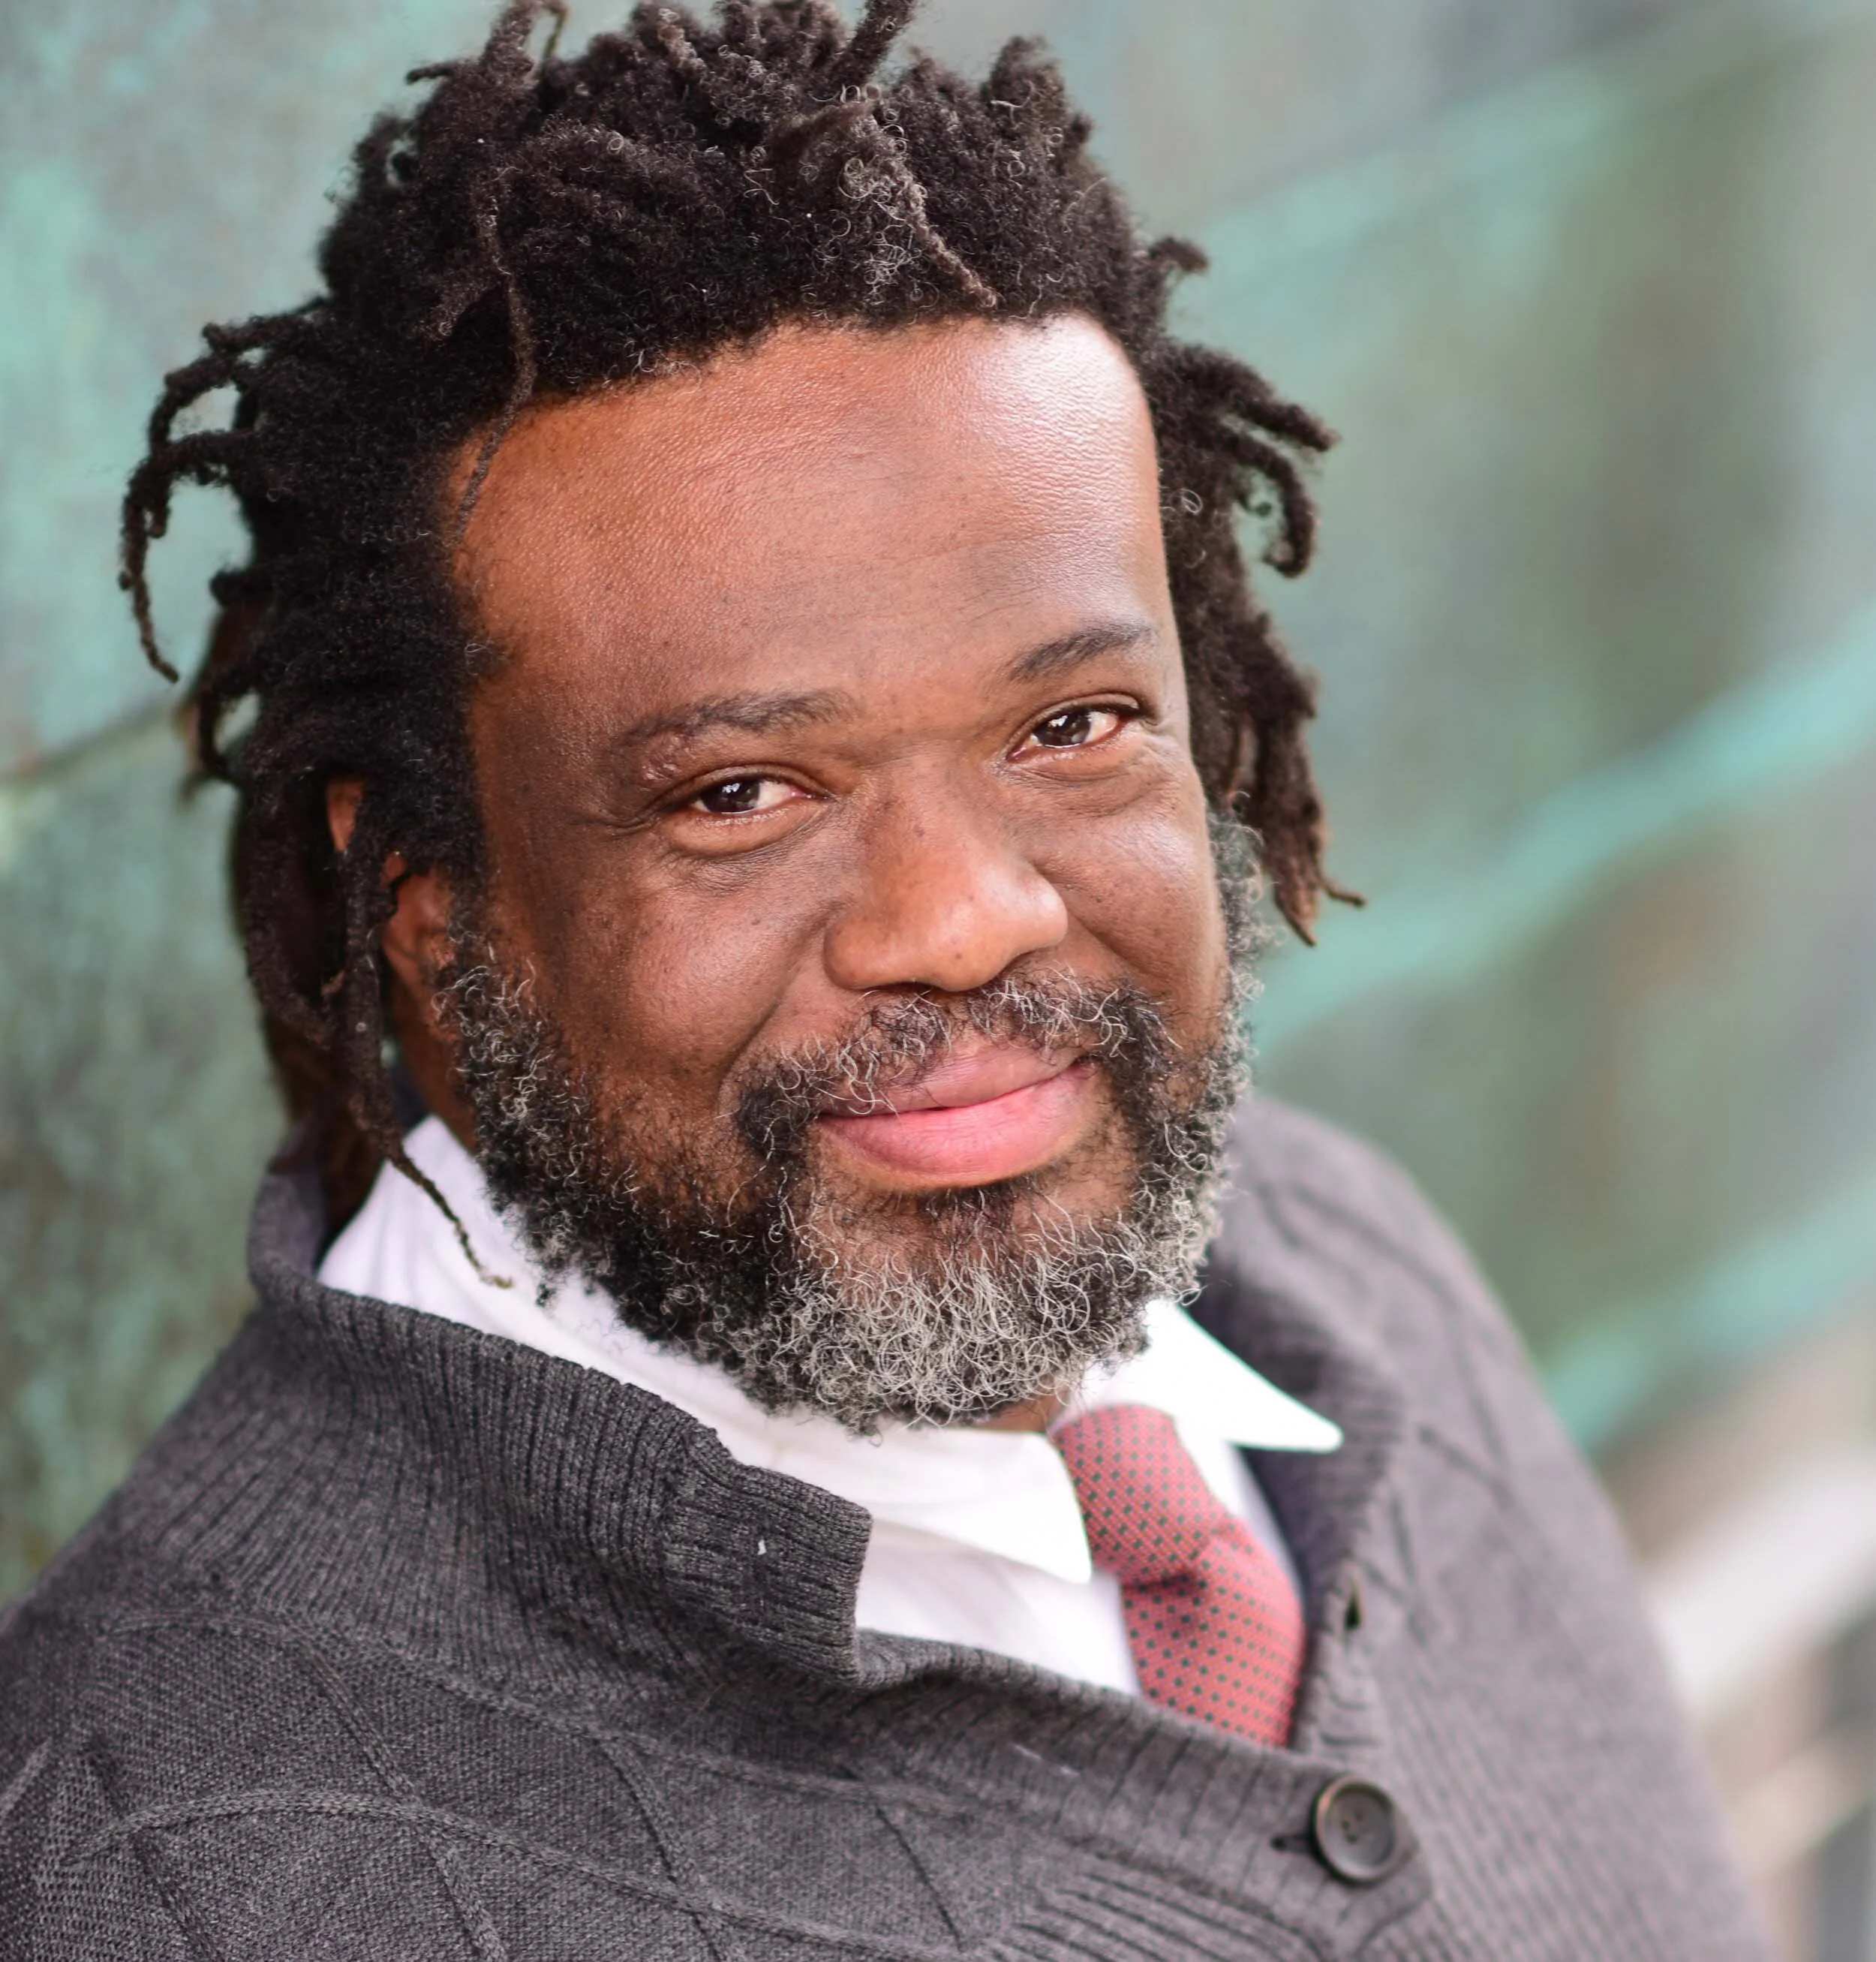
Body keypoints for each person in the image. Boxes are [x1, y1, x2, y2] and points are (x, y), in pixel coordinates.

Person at [0, 3, 1769, 1954]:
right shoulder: (169, 1867)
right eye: (740, 794)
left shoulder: (1360, 1282)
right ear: (431, 905)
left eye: (1073, 725)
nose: (963, 919)